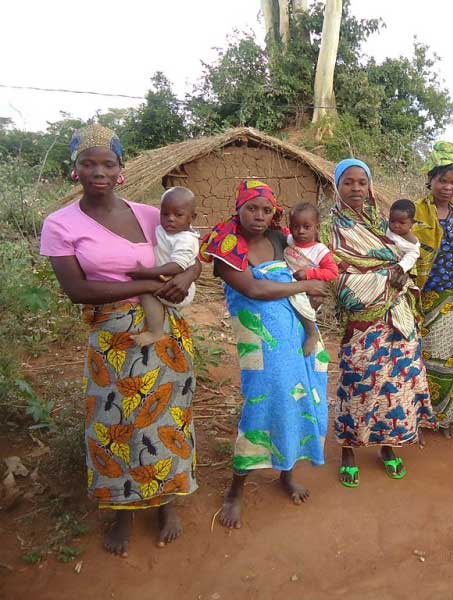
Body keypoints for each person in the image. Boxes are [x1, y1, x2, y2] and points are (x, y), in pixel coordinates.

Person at [40, 123, 200, 557]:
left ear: (120, 169)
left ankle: (167, 502)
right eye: (88, 163)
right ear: (75, 170)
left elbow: (189, 252)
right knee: (115, 426)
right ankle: (122, 511)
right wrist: (144, 288)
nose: (98, 171)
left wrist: (184, 277)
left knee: (167, 419)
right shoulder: (60, 224)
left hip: (164, 334)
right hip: (114, 341)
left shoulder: (152, 213)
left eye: (107, 163)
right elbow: (76, 290)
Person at [200, 180, 329, 528]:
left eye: (266, 210)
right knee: (262, 403)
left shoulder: (278, 239)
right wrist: (304, 285)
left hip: (294, 331)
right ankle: (235, 491)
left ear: (274, 213)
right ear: (238, 209)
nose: (258, 216)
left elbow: (312, 259)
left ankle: (285, 473)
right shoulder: (227, 248)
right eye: (251, 208)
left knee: (299, 398)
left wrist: (311, 292)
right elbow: (254, 289)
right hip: (259, 341)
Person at [320, 159, 435, 487]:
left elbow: (412, 259)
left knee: (395, 388)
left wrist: (397, 272)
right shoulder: (331, 229)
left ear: (369, 186)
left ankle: (387, 445)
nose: (356, 188)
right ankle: (348, 450)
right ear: (337, 187)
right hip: (362, 322)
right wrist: (388, 276)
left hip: (398, 320)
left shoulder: (384, 224)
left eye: (361, 182)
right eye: (348, 182)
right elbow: (340, 280)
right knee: (357, 386)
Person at [413, 142, 453, 437]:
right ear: (430, 180)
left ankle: (444, 418)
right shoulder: (416, 211)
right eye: (442, 180)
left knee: (450, 361)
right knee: (421, 359)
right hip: (422, 296)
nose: (448, 187)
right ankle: (419, 419)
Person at [127, 187, 200, 346]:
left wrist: (147, 273)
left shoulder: (185, 239)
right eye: (165, 214)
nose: (170, 219)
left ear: (192, 217)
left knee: (146, 291)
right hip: (168, 280)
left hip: (178, 287)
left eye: (178, 215)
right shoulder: (168, 231)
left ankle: (156, 332)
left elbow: (178, 266)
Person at [285, 201, 339, 284]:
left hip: (310, 289)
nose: (301, 231)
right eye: (296, 227)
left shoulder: (320, 250)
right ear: (290, 227)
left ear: (317, 228)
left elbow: (333, 273)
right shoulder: (289, 240)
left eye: (306, 227)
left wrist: (308, 274)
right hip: (288, 286)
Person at [386, 199, 421, 273]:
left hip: (394, 267)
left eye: (402, 223)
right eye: (392, 221)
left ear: (412, 223)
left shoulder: (412, 243)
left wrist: (402, 265)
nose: (396, 225)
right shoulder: (385, 227)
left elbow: (412, 256)